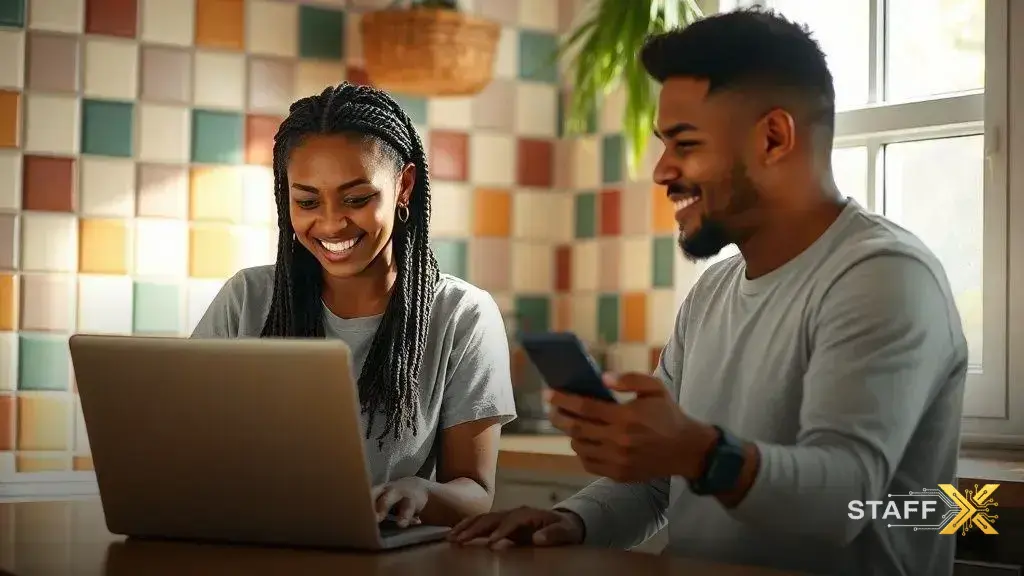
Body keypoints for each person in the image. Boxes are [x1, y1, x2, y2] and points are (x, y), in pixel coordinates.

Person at [447, 8, 968, 576]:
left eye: (685, 144)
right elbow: (657, 485)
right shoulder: (711, 292)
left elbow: (843, 500)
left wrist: (698, 450)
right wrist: (571, 521)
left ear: (774, 137)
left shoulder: (883, 276)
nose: (662, 170)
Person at [191, 82, 517, 529]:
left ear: (404, 185)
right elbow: (187, 453)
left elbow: (475, 493)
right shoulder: (246, 300)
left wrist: (422, 492)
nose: (329, 223)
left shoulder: (463, 315)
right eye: (306, 201)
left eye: (357, 198)